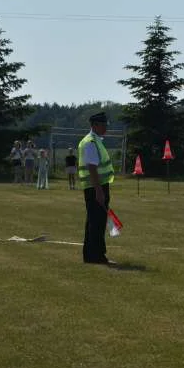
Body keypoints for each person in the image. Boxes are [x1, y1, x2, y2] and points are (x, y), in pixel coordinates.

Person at [78, 112, 116, 265]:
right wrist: (99, 191)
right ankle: (97, 256)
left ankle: (91, 255)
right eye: (103, 124)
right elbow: (92, 167)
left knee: (94, 221)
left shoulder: (95, 140)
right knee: (97, 222)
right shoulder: (91, 142)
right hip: (96, 187)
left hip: (96, 186)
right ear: (94, 125)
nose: (105, 127)